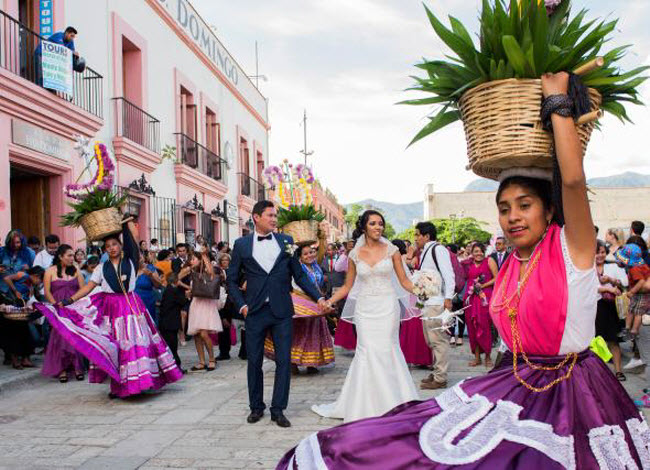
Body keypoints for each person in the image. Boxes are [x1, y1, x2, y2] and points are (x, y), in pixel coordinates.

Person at [277, 72, 647, 469]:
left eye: (524, 205)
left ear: (550, 210)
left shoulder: (569, 249)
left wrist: (557, 104)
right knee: (386, 445)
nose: (512, 217)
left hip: (574, 395)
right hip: (516, 382)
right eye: (504, 209)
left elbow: (572, 180)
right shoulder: (510, 264)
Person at [34, 219, 183, 398]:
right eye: (108, 246)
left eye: (115, 244)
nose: (112, 248)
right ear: (105, 250)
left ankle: (139, 383)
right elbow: (88, 287)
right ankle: (119, 386)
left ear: (120, 246)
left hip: (132, 309)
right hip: (112, 311)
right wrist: (69, 301)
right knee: (117, 348)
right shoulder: (101, 268)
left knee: (135, 346)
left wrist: (125, 225)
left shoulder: (131, 261)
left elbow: (132, 244)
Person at [226, 200, 328, 429]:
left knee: (284, 361)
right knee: (254, 362)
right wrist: (241, 305)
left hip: (282, 311)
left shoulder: (286, 242)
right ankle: (256, 407)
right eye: (270, 215)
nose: (274, 219)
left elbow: (299, 276)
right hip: (254, 311)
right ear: (256, 217)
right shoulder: (241, 245)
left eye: (275, 215)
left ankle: (278, 409)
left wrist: (318, 297)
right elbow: (231, 279)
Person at [311, 210, 418, 422]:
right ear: (364, 227)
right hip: (365, 309)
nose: (378, 227)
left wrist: (424, 290)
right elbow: (347, 286)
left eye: (381, 223)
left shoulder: (393, 250)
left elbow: (405, 282)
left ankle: (393, 401)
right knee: (367, 351)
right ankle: (364, 404)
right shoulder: (354, 255)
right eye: (373, 223)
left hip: (387, 307)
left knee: (387, 349)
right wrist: (328, 301)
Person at [264, 245, 335, 374]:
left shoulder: (316, 267)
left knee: (313, 334)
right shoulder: (297, 268)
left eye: (311, 252)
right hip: (300, 303)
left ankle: (312, 363)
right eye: (305, 254)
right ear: (300, 258)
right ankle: (293, 363)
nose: (310, 256)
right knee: (298, 334)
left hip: (315, 304)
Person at [414, 221, 455, 390]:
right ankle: (437, 371)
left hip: (437, 303)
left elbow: (449, 275)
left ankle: (440, 377)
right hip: (428, 302)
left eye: (417, 235)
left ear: (426, 236)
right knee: (431, 340)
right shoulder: (426, 251)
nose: (415, 238)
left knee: (439, 341)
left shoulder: (438, 249)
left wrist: (448, 299)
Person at [41, 244, 86, 383]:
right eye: (69, 255)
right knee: (60, 338)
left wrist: (75, 303)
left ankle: (78, 367)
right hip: (58, 308)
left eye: (73, 255)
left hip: (74, 308)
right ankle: (62, 369)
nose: (73, 258)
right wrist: (55, 305)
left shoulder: (76, 270)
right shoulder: (50, 271)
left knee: (75, 336)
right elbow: (47, 291)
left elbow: (83, 289)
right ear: (60, 256)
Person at [395, 239, 432, 367]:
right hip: (413, 294)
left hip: (417, 295)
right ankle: (415, 356)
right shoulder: (405, 258)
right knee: (413, 323)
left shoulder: (416, 258)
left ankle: (418, 357)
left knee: (416, 322)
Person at [595, 240, 628, 381]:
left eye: (602, 252)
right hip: (594, 306)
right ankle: (598, 373)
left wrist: (612, 280)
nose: (600, 255)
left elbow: (624, 282)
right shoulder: (587, 268)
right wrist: (607, 288)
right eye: (597, 252)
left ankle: (618, 371)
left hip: (610, 307)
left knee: (613, 340)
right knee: (595, 341)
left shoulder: (613, 266)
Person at [187, 252, 222, 372]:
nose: (191, 261)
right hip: (196, 304)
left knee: (203, 334)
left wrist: (204, 256)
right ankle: (201, 361)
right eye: (190, 259)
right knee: (196, 335)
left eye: (193, 259)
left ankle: (211, 359)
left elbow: (212, 273)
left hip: (206, 305)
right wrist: (189, 292)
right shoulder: (192, 273)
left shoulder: (206, 271)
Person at [464, 243, 498, 368]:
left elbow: (497, 277)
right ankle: (477, 357)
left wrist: (482, 286)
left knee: (485, 327)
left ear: (484, 252)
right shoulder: (469, 264)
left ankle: (488, 356)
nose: (478, 253)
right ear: (471, 253)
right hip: (471, 298)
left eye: (480, 251)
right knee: (472, 327)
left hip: (485, 297)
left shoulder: (489, 261)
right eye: (476, 251)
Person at [616, 243, 650, 338]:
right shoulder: (639, 264)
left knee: (638, 312)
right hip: (639, 292)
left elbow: (641, 281)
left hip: (642, 294)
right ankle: (627, 328)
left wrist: (632, 292)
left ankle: (634, 330)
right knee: (631, 310)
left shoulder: (634, 269)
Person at [158, 273, 187, 373]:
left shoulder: (168, 290)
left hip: (166, 323)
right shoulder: (173, 291)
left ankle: (174, 367)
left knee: (170, 346)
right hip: (170, 323)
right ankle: (175, 368)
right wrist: (186, 296)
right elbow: (182, 302)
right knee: (172, 347)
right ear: (176, 281)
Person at [332, 240, 357, 351]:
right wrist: (346, 254)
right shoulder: (347, 257)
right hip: (351, 290)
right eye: (349, 246)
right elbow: (337, 268)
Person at [0, 230, 35, 300]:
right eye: (12, 243)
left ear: (22, 241)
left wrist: (28, 269)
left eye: (18, 242)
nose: (15, 245)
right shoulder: (2, 251)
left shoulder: (30, 253)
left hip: (21, 290)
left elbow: (33, 272)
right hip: (3, 289)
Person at [216, 253, 235, 361]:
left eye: (226, 260)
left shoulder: (232, 271)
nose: (225, 262)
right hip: (222, 301)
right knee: (223, 328)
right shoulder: (218, 271)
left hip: (231, 301)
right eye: (223, 260)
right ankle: (224, 352)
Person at [135, 251, 163, 325]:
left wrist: (151, 275)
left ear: (143, 257)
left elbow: (158, 285)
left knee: (148, 324)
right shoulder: (129, 269)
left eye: (140, 257)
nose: (138, 259)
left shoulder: (150, 268)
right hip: (132, 302)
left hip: (146, 301)